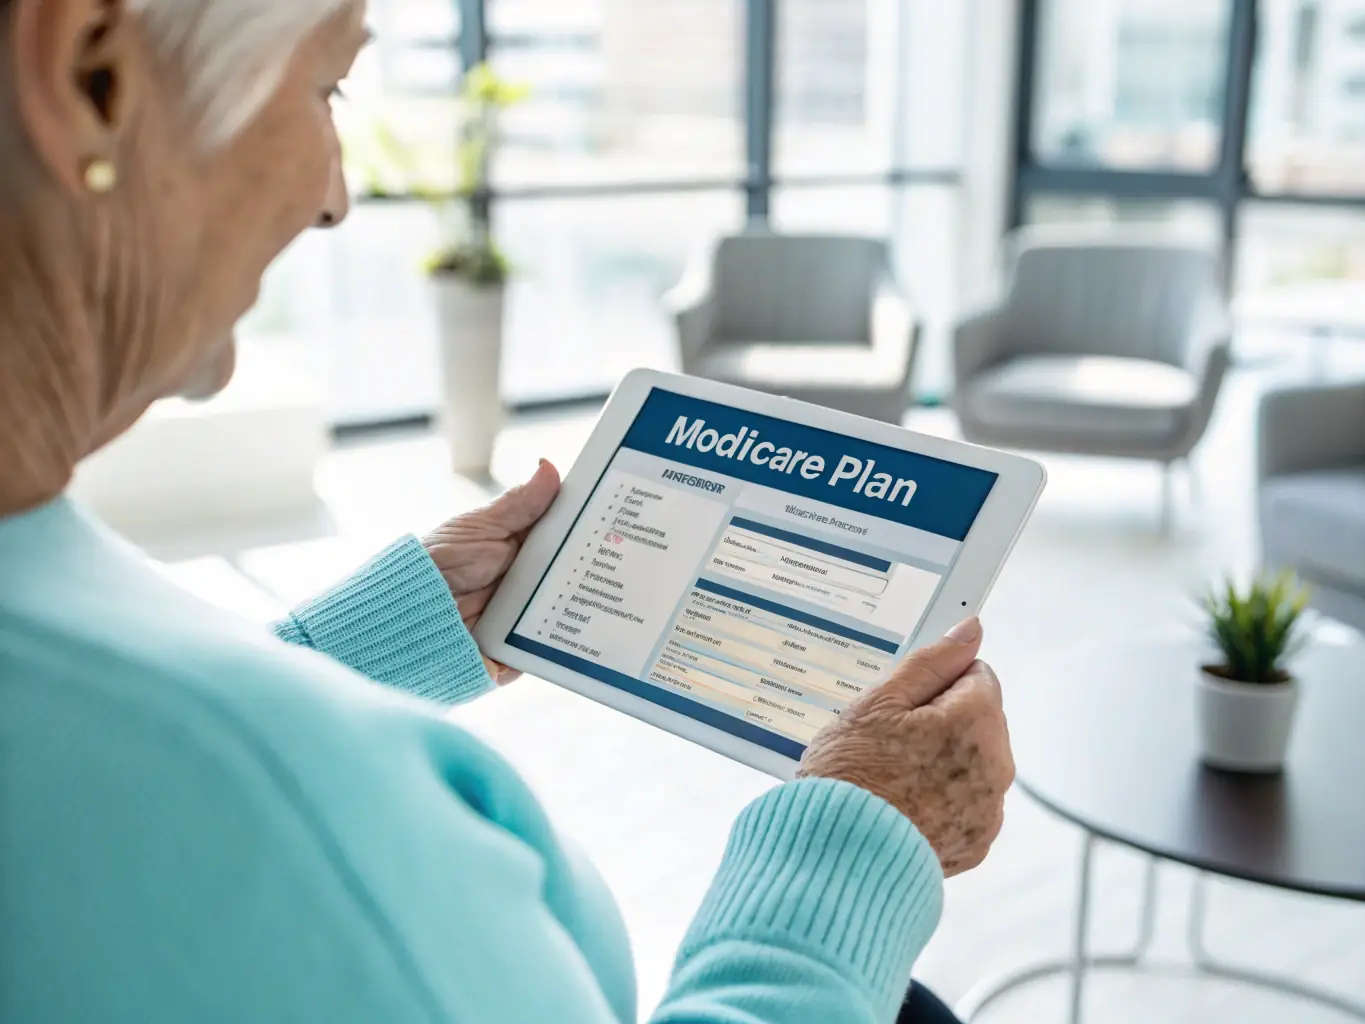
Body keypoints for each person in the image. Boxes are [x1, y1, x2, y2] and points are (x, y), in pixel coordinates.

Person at [0, 1, 1015, 1022]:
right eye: (325, 88)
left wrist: (371, 642)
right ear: (94, 76)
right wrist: (850, 853)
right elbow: (205, 788)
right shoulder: (294, 810)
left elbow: (123, 801)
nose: (335, 197)